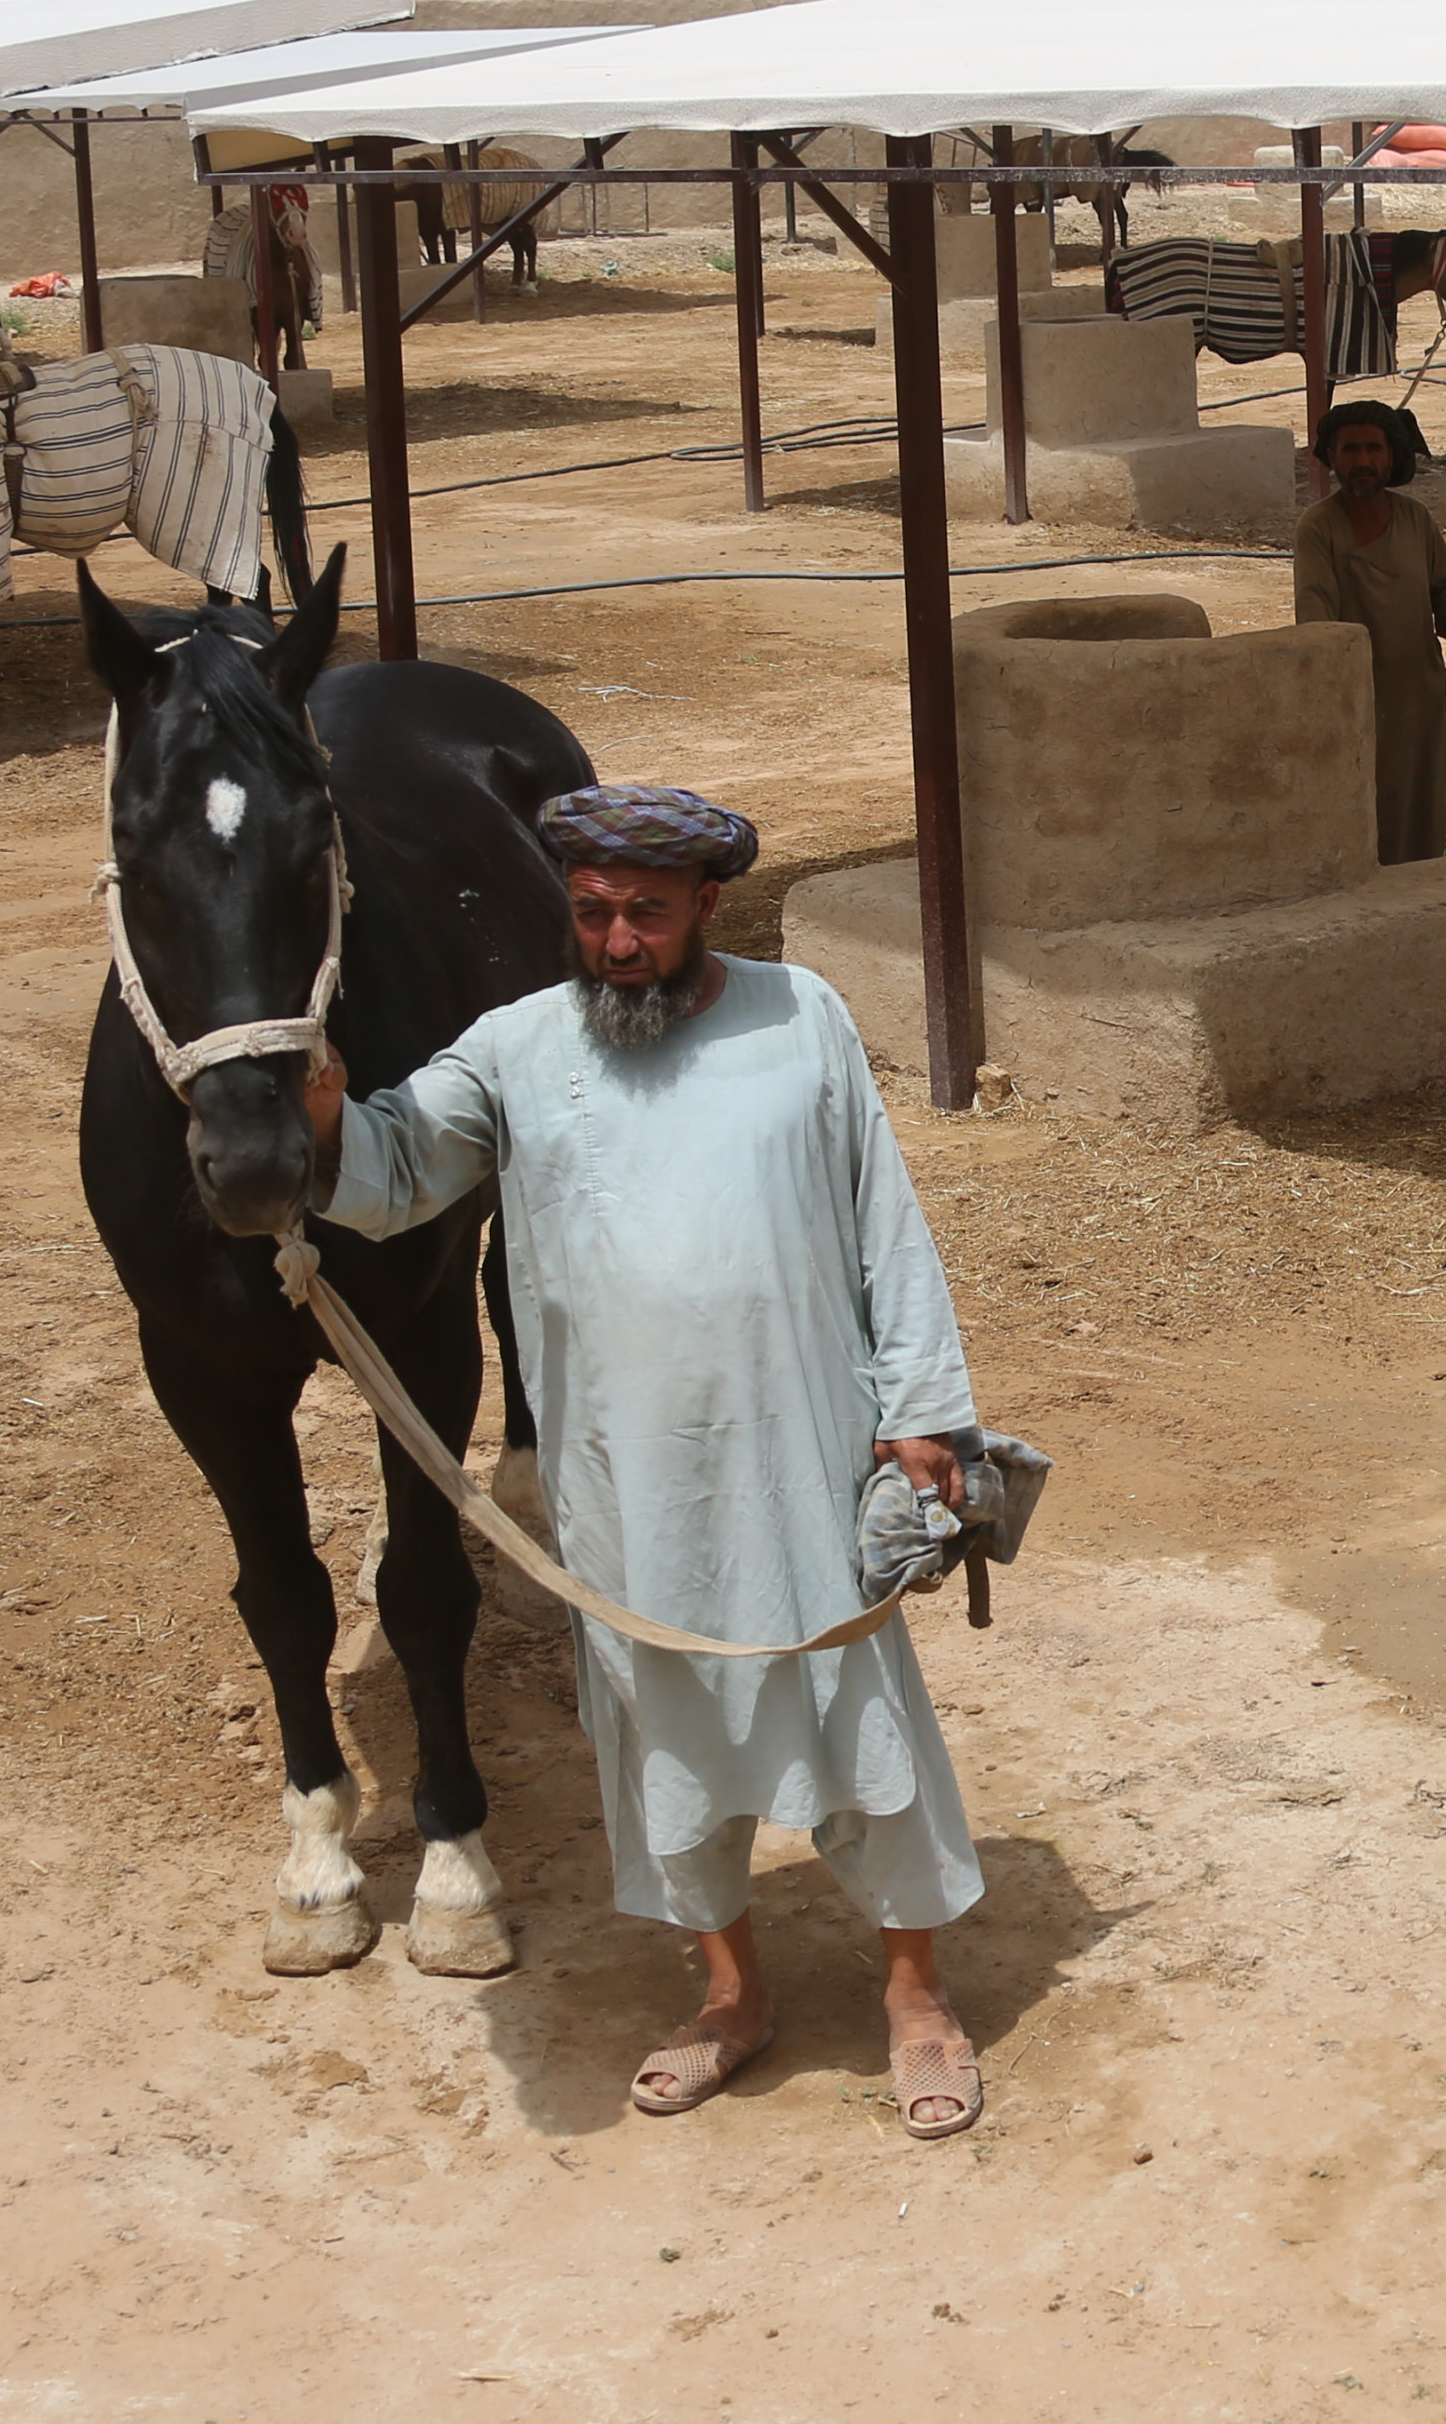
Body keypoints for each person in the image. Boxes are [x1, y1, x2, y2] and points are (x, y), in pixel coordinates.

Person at [299, 783, 995, 2134]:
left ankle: (915, 1995)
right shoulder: (512, 1046)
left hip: (799, 1445)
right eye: (592, 912)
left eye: (645, 914)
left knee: (858, 1719)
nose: (615, 940)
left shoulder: (802, 1018)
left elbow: (881, 1216)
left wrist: (922, 1409)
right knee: (665, 1731)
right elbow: (391, 1168)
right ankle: (731, 1991)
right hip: (626, 1481)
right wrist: (325, 1112)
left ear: (704, 909)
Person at [1292, 398, 1446, 864]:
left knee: (1418, 812)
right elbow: (1315, 620)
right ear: (1332, 456)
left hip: (1417, 698)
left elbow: (1443, 589)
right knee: (1364, 815)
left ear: (1391, 455)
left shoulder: (1415, 519)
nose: (1362, 461)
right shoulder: (1318, 528)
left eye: (1373, 449)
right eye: (1350, 450)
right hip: (1356, 700)